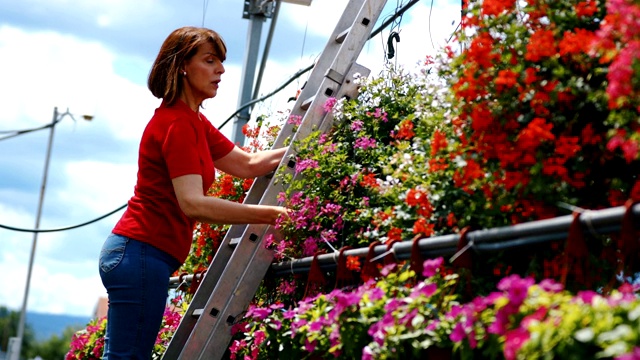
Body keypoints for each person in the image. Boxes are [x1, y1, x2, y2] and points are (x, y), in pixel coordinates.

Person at [98, 26, 288, 359]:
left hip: (141, 254)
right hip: (141, 252)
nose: (221, 70)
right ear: (183, 66)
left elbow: (248, 163)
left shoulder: (194, 122)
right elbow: (193, 204)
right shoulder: (177, 124)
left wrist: (305, 148)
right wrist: (270, 215)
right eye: (210, 60)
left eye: (221, 62)